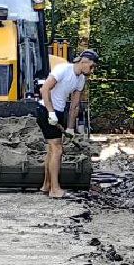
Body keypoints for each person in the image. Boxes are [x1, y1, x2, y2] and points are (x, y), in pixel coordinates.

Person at [37, 49, 98, 198]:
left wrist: (70, 127)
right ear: (83, 61)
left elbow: (75, 106)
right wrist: (50, 112)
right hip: (45, 109)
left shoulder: (80, 80)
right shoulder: (63, 69)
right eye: (92, 66)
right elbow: (44, 89)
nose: (93, 69)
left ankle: (46, 185)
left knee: (52, 150)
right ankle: (55, 190)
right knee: (57, 149)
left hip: (58, 112)